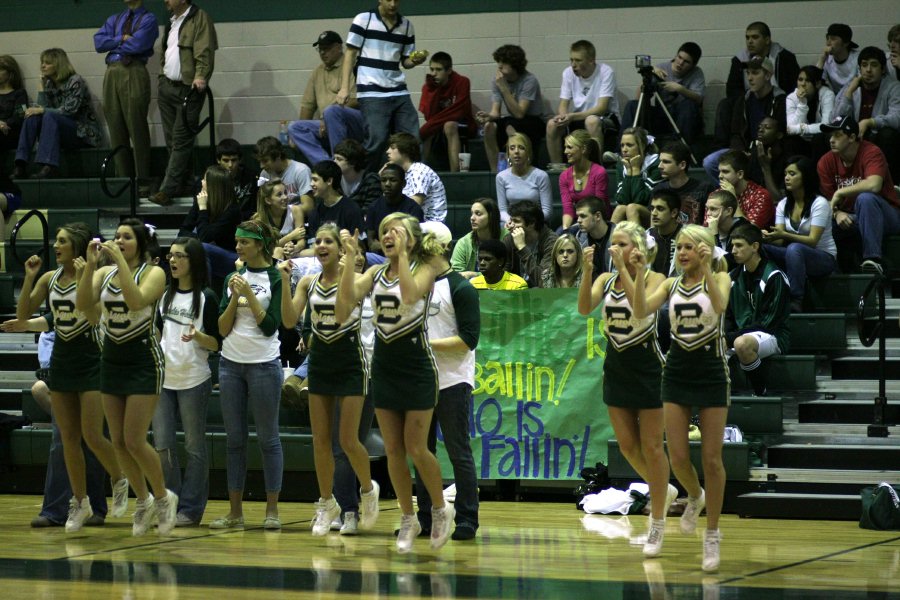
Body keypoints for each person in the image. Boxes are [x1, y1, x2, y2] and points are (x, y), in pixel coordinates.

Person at [336, 213, 455, 553]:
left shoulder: (426, 267)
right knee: (393, 450)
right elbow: (344, 309)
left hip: (417, 368)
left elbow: (408, 296)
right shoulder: (374, 273)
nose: (388, 235)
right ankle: (407, 516)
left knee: (418, 448)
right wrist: (348, 262)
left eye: (396, 231)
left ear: (412, 240)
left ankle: (438, 508)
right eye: (385, 231)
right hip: (384, 368)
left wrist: (402, 256)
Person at [630, 224, 732, 573]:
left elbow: (719, 309)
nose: (683, 252)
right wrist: (641, 271)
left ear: (704, 250)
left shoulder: (720, 279)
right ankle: (695, 496)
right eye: (679, 247)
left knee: (712, 459)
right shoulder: (670, 284)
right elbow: (641, 309)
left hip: (711, 372)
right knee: (676, 455)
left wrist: (707, 267)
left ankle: (713, 534)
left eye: (690, 247)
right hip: (676, 372)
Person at [15, 224, 127, 532]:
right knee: (67, 439)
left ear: (76, 247)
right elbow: (24, 313)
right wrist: (28, 278)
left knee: (92, 435)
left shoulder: (94, 277)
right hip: (62, 362)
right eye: (56, 241)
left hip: (92, 361)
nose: (56, 245)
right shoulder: (50, 278)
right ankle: (80, 502)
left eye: (62, 241)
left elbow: (90, 315)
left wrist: (84, 273)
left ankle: (119, 478)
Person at [578, 220, 676, 558]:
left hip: (649, 370)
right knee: (627, 445)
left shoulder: (657, 280)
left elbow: (639, 309)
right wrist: (588, 271)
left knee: (651, 446)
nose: (613, 249)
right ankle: (665, 489)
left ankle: (658, 520)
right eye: (613, 244)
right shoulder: (606, 281)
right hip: (616, 369)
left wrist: (625, 269)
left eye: (621, 243)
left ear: (638, 248)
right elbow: (582, 308)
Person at [76, 218, 177, 537]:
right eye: (116, 236)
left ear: (141, 243)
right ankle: (143, 500)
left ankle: (163, 497)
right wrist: (90, 268)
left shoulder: (155, 273)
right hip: (112, 362)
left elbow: (136, 301)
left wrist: (118, 262)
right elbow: (82, 305)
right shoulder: (104, 274)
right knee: (118, 440)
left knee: (134, 439)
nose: (118, 241)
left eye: (126, 237)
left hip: (144, 362)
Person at [280, 223, 380, 536]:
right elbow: (288, 319)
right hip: (320, 364)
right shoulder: (308, 282)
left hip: (351, 363)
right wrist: (284, 281)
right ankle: (327, 502)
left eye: (328, 241)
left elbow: (340, 312)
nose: (321, 245)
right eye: (318, 241)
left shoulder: (358, 277)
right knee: (321, 442)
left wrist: (350, 260)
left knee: (348, 441)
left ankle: (367, 490)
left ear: (339, 248)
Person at [210, 219, 284, 531]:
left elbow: (270, 327)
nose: (238, 247)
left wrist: (249, 297)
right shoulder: (233, 276)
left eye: (244, 242)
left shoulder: (275, 277)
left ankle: (272, 511)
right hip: (230, 364)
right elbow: (222, 329)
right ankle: (235, 512)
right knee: (235, 440)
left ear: (259, 245)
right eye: (237, 241)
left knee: (268, 438)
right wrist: (232, 296)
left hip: (264, 364)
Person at [414, 221, 480, 541]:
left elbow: (468, 339)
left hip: (453, 379)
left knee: (457, 451)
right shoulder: (415, 285)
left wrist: (424, 343)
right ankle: (425, 517)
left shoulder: (460, 288)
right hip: (419, 380)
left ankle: (467, 518)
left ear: (436, 247)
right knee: (420, 451)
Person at [153, 238, 219, 527]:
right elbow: (157, 335)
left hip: (194, 380)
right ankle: (169, 501)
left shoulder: (206, 297)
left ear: (193, 260)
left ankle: (191, 509)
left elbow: (217, 343)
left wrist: (198, 336)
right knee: (163, 445)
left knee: (194, 447)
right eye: (171, 256)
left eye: (180, 256)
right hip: (163, 382)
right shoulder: (164, 295)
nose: (173, 261)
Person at [336, 0, 428, 173]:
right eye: (388, 0)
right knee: (376, 140)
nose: (393, 4)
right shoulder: (364, 19)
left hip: (398, 89)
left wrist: (415, 61)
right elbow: (350, 53)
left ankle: (416, 180)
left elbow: (405, 61)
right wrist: (345, 88)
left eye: (396, 0)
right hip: (372, 90)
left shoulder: (407, 25)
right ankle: (366, 181)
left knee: (413, 139)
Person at [151, 0, 217, 207]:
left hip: (189, 88)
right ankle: (186, 183)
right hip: (167, 85)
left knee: (181, 139)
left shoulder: (199, 18)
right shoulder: (172, 20)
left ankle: (166, 190)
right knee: (173, 141)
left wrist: (201, 76)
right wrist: (162, 76)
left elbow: (204, 50)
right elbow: (167, 50)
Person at [818, 115, 899, 275]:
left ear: (852, 137)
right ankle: (831, 272)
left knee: (865, 198)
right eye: (830, 135)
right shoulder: (825, 162)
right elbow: (828, 200)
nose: (832, 140)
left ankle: (873, 260)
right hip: (853, 218)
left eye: (838, 135)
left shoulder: (871, 152)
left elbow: (874, 184)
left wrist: (841, 191)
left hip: (888, 215)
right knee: (821, 221)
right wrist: (837, 212)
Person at [93, 0, 158, 189]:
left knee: (136, 126)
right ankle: (124, 181)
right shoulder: (115, 18)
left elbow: (138, 45)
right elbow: (98, 42)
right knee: (115, 127)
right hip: (112, 70)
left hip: (134, 70)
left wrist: (113, 43)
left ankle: (143, 181)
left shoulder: (149, 19)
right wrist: (121, 39)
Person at [13, 48, 102, 180]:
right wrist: (41, 87)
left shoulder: (75, 81)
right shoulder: (49, 83)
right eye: (42, 62)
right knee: (32, 116)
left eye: (47, 63)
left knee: (48, 115)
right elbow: (43, 109)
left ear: (59, 64)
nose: (42, 66)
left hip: (82, 132)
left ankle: (49, 166)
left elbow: (69, 111)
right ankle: (20, 165)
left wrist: (42, 110)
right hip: (58, 131)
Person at [763, 156, 837, 309]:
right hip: (793, 255)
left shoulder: (820, 203)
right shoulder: (783, 204)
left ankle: (795, 299)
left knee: (794, 248)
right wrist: (765, 237)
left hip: (823, 257)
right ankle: (767, 294)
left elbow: (812, 240)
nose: (786, 178)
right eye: (785, 174)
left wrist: (784, 235)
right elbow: (779, 240)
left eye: (792, 174)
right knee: (759, 248)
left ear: (805, 176)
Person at [727, 224, 791, 396]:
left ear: (755, 247)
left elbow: (769, 322)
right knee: (709, 346)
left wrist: (732, 337)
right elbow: (727, 316)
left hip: (774, 335)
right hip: (742, 332)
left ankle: (760, 391)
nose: (733, 250)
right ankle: (717, 398)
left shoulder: (774, 275)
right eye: (732, 245)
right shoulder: (732, 277)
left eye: (739, 245)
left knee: (741, 344)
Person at [705, 56, 787, 185]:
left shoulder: (780, 100)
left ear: (767, 75)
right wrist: (739, 150)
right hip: (744, 148)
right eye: (748, 73)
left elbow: (779, 133)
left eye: (755, 73)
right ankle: (730, 194)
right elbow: (736, 132)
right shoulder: (744, 99)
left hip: (766, 148)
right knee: (710, 162)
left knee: (756, 155)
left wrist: (755, 148)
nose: (749, 78)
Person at [288, 31, 364, 166]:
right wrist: (295, 138)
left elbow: (356, 100)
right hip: (328, 126)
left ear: (339, 47)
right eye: (320, 49)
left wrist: (326, 116)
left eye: (327, 49)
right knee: (294, 128)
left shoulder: (351, 65)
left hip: (354, 123)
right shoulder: (318, 71)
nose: (323, 53)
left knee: (332, 111)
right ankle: (328, 166)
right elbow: (308, 106)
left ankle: (339, 161)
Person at [717, 22, 798, 145]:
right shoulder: (740, 60)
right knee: (725, 105)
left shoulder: (785, 57)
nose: (750, 41)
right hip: (750, 99)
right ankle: (724, 150)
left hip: (776, 102)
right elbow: (732, 90)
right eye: (747, 37)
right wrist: (747, 99)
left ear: (767, 40)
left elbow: (793, 87)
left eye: (755, 37)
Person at [833, 47, 900, 181]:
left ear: (882, 70)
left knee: (888, 134)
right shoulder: (851, 87)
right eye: (864, 65)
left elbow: (897, 118)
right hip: (855, 138)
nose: (868, 70)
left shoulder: (894, 87)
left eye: (874, 65)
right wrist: (848, 94)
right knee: (825, 136)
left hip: (877, 136)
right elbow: (836, 120)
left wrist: (870, 122)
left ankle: (889, 183)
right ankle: (833, 185)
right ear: (859, 69)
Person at [546, 40, 619, 163]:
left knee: (591, 121)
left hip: (605, 117)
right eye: (571, 60)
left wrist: (572, 116)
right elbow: (563, 105)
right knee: (552, 124)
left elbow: (601, 108)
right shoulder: (568, 73)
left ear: (591, 60)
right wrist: (563, 117)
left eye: (578, 60)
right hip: (578, 117)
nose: (573, 64)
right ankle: (557, 168)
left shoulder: (606, 72)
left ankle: (596, 167)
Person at [477, 44, 546, 172]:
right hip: (512, 119)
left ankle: (516, 169)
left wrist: (504, 88)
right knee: (489, 127)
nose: (499, 66)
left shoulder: (529, 80)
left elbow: (520, 113)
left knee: (511, 124)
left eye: (503, 62)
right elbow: (496, 112)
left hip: (533, 120)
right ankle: (496, 171)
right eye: (498, 62)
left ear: (514, 64)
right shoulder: (498, 81)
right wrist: (488, 117)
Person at [621, 42, 705, 146]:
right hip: (661, 114)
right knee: (631, 105)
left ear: (693, 65)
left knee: (688, 105)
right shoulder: (662, 68)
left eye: (686, 62)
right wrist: (649, 76)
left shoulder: (696, 73)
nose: (680, 63)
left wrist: (680, 89)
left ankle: (680, 149)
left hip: (681, 116)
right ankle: (619, 151)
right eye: (679, 57)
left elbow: (699, 99)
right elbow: (639, 98)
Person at [178, 165, 243, 280]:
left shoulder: (232, 210)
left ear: (213, 186)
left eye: (204, 180)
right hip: (209, 251)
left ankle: (204, 292)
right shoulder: (201, 201)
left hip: (231, 257)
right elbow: (183, 231)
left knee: (202, 249)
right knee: (182, 246)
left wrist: (203, 208)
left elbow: (205, 237)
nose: (201, 183)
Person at [419, 51, 476, 172]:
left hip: (462, 123)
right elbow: (429, 115)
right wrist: (432, 90)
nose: (434, 74)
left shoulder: (462, 82)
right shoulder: (428, 86)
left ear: (449, 70)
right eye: (432, 69)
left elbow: (459, 110)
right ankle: (420, 171)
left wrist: (431, 125)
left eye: (438, 70)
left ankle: (454, 174)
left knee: (448, 125)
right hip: (438, 125)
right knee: (428, 131)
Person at [302, 160, 366, 256]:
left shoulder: (352, 209)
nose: (311, 184)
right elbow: (313, 248)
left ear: (329, 181)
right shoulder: (314, 213)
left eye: (315, 180)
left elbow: (360, 247)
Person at [386, 132, 448, 223]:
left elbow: (413, 206)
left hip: (431, 224)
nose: (387, 151)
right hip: (415, 222)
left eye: (392, 148)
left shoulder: (418, 171)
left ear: (405, 151)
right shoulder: (404, 173)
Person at [366, 163, 423, 254]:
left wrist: (386, 244)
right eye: (384, 180)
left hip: (407, 257)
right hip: (381, 258)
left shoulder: (413, 208)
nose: (387, 184)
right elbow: (371, 244)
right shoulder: (373, 207)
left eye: (393, 180)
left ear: (403, 183)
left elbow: (413, 242)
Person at [495, 133, 552, 224]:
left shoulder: (541, 176)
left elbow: (547, 211)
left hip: (535, 222)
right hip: (512, 222)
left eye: (521, 148)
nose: (516, 151)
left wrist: (528, 222)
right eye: (512, 148)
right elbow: (502, 211)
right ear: (508, 154)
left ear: (528, 152)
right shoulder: (501, 177)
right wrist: (513, 222)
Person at [656, 141, 717, 226]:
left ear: (682, 165)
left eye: (666, 162)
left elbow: (712, 221)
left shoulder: (704, 189)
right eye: (660, 161)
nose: (660, 166)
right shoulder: (659, 190)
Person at [611, 127, 661, 225]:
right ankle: (610, 240)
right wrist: (629, 170)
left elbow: (641, 199)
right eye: (622, 145)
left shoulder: (656, 163)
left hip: (653, 212)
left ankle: (637, 240)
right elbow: (622, 200)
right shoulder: (622, 165)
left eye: (629, 145)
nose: (624, 150)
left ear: (642, 146)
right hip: (631, 209)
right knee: (620, 208)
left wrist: (636, 170)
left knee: (632, 208)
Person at [558, 129, 609, 227]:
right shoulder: (564, 176)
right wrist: (566, 229)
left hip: (598, 221)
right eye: (565, 147)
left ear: (583, 149)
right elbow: (567, 207)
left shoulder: (599, 172)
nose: (565, 151)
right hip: (577, 221)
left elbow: (598, 207)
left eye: (569, 147)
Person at [502, 200, 558, 288]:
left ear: (532, 223)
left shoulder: (551, 242)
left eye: (516, 221)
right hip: (516, 292)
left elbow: (544, 282)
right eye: (511, 220)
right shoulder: (509, 239)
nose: (511, 225)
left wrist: (522, 248)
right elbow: (503, 274)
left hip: (543, 295)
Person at [785, 65, 835, 160]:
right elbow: (791, 128)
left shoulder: (827, 95)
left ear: (817, 83)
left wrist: (802, 128)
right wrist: (802, 103)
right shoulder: (792, 97)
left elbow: (826, 126)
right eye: (800, 79)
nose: (802, 84)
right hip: (802, 140)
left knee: (819, 139)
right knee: (790, 141)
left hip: (820, 140)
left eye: (807, 81)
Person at [255, 136, 314, 214]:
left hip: (297, 220)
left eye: (265, 161)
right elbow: (262, 205)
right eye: (260, 161)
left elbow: (308, 207)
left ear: (278, 156)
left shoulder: (301, 171)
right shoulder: (264, 173)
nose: (261, 166)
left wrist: (282, 215)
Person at [716, 150, 774, 228]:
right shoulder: (716, 195)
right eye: (719, 171)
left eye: (725, 172)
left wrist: (732, 198)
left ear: (740, 174)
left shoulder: (761, 196)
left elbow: (749, 231)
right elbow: (707, 228)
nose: (720, 176)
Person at [450, 198, 506, 279]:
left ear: (491, 216)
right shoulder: (464, 242)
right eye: (472, 213)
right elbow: (456, 274)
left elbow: (509, 271)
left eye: (478, 214)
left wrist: (475, 275)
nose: (472, 218)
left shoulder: (506, 238)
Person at [252, 178, 306, 260]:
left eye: (285, 193)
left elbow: (301, 241)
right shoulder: (259, 219)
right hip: (270, 258)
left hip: (293, 256)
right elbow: (264, 247)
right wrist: (290, 237)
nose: (285, 197)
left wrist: (295, 248)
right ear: (268, 200)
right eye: (279, 195)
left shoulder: (296, 210)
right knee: (278, 250)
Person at [333, 138, 383, 212]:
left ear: (353, 162)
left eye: (339, 159)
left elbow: (370, 213)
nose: (334, 162)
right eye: (334, 158)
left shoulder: (372, 181)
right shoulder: (333, 180)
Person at [705, 189, 749, 271]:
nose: (708, 213)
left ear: (728, 211)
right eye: (707, 209)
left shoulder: (743, 230)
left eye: (713, 209)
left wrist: (714, 235)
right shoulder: (709, 228)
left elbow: (727, 265)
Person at [215, 138, 258, 219]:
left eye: (234, 160)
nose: (230, 165)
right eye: (226, 160)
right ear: (218, 160)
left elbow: (256, 207)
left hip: (246, 223)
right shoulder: (211, 178)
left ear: (240, 160)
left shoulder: (252, 178)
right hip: (221, 223)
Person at [573, 196, 614, 277]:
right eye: (578, 216)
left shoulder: (620, 239)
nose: (578, 220)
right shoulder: (579, 240)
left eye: (583, 216)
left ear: (597, 216)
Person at [648, 190, 683, 277]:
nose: (654, 213)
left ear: (674, 213)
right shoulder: (646, 236)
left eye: (660, 209)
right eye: (652, 208)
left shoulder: (688, 235)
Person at [816, 24, 860, 94]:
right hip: (836, 99)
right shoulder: (826, 59)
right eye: (827, 38)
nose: (828, 43)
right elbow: (815, 82)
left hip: (854, 96)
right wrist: (822, 60)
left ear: (846, 43)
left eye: (833, 39)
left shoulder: (858, 58)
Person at [0, 55, 28, 152]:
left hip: (9, 133)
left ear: (10, 73)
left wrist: (4, 124)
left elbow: (20, 115)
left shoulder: (19, 93)